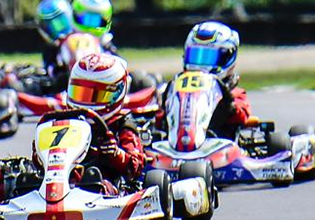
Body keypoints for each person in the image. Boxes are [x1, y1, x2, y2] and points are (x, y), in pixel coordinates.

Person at [57, 53, 145, 194]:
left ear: (115, 94)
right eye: (80, 93)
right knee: (27, 179)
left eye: (95, 95)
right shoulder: (64, 122)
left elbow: (135, 167)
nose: (85, 103)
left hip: (104, 181)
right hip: (62, 178)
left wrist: (116, 154)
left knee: (92, 178)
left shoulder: (122, 125)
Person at [160, 20, 257, 140]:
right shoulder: (177, 87)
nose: (199, 65)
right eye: (195, 56)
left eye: (207, 57)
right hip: (177, 142)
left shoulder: (234, 93)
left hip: (220, 144)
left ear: (227, 57)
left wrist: (228, 107)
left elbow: (242, 115)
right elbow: (159, 119)